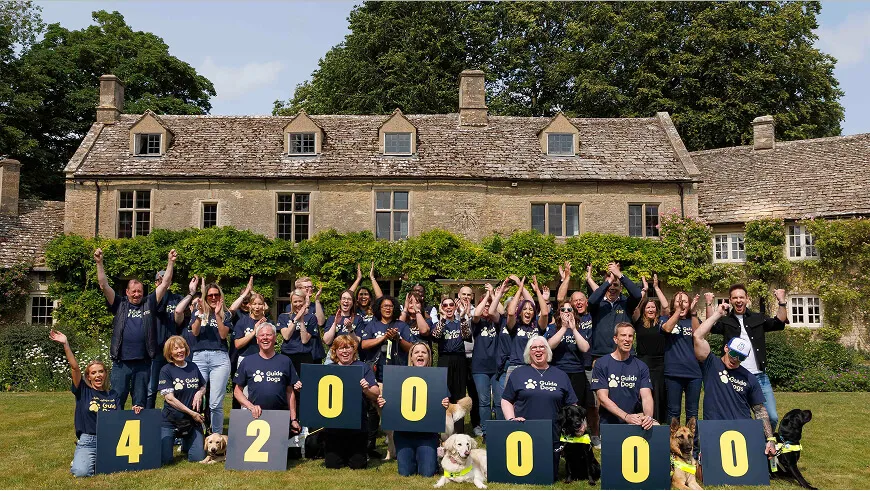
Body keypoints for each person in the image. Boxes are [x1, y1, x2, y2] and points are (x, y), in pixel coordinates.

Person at [94, 248, 176, 411]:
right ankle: (115, 427)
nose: (137, 294)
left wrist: (170, 262)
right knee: (116, 401)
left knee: (140, 404)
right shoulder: (119, 304)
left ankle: (140, 427)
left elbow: (165, 283)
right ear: (127, 292)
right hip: (121, 362)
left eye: (140, 291)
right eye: (134, 291)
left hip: (143, 363)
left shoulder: (149, 303)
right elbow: (103, 285)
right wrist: (99, 263)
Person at [694, 302, 777, 459]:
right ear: (726, 348)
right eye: (733, 354)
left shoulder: (749, 378)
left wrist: (770, 439)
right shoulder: (711, 364)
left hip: (742, 431)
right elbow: (698, 336)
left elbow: (760, 410)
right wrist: (717, 314)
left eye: (741, 357)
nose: (735, 360)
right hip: (714, 429)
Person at [705, 285, 787, 430]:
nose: (738, 300)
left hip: (759, 376)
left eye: (741, 297)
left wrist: (781, 301)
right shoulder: (726, 320)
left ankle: (764, 441)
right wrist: (709, 304)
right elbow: (711, 326)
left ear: (747, 298)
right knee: (737, 419)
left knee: (771, 417)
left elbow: (779, 323)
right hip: (733, 377)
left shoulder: (758, 318)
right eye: (735, 298)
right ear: (730, 300)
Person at [501, 336, 578, 478]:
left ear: (548, 351)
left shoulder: (561, 375)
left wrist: (576, 424)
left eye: (542, 347)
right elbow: (506, 400)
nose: (538, 350)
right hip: (524, 431)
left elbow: (572, 404)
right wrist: (511, 420)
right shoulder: (518, 374)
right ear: (528, 352)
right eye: (534, 347)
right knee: (524, 475)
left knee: (549, 475)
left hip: (552, 433)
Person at [49, 329, 120, 477]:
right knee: (82, 472)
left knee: (118, 468)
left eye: (101, 371)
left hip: (109, 439)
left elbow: (119, 420)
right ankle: (81, 458)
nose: (98, 375)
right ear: (88, 377)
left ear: (105, 374)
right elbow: (75, 368)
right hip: (89, 440)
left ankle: (89, 460)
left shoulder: (113, 395)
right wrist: (66, 344)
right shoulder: (83, 391)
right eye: (93, 373)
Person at [377, 342, 449, 477]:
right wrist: (384, 402)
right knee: (405, 472)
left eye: (424, 352)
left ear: (429, 357)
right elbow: (392, 402)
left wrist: (445, 403)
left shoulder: (437, 377)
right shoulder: (398, 376)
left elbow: (443, 403)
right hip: (403, 435)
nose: (420, 355)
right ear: (411, 357)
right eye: (416, 352)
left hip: (427, 436)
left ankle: (429, 459)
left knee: (427, 473)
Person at [360, 295, 415, 456]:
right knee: (374, 412)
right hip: (377, 376)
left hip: (397, 375)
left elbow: (411, 348)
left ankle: (397, 448)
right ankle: (370, 446)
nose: (388, 308)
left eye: (390, 306)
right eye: (384, 306)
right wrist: (383, 337)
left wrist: (398, 338)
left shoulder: (401, 325)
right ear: (379, 308)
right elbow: (363, 344)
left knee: (396, 412)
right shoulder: (372, 325)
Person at [556, 261, 602, 446]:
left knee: (592, 405)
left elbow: (600, 294)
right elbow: (560, 299)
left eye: (581, 299)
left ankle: (594, 434)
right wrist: (566, 278)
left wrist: (589, 278)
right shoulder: (569, 319)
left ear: (586, 302)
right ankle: (569, 433)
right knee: (571, 403)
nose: (578, 303)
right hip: (574, 367)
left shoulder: (593, 314)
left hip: (590, 365)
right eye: (575, 301)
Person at [233, 322, 302, 435]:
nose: (265, 338)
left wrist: (293, 419)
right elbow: (237, 391)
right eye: (261, 335)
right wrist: (251, 407)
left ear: (275, 338)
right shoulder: (247, 361)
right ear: (257, 340)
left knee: (279, 446)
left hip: (280, 416)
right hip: (255, 417)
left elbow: (290, 392)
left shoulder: (285, 361)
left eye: (269, 335)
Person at [323, 334, 380, 469]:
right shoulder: (328, 369)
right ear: (335, 351)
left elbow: (376, 393)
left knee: (358, 465)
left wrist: (366, 389)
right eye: (341, 348)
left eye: (348, 347)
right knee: (332, 464)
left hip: (358, 426)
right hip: (334, 426)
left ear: (354, 350)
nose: (345, 351)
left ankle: (361, 452)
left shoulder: (363, 367)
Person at [660, 290, 702, 456]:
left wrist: (693, 313)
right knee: (673, 412)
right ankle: (671, 450)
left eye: (685, 301)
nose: (682, 304)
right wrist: (677, 311)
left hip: (694, 374)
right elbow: (667, 329)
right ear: (673, 304)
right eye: (678, 301)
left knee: (692, 413)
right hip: (673, 373)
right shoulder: (666, 319)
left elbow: (698, 335)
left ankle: (694, 450)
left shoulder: (693, 320)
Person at [590, 322, 654, 428]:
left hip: (635, 422)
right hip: (609, 424)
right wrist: (625, 416)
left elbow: (646, 397)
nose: (627, 339)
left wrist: (648, 417)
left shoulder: (641, 366)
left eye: (630, 336)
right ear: (615, 339)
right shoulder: (601, 364)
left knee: (656, 425)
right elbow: (602, 398)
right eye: (623, 335)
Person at [190, 282, 233, 435]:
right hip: (199, 358)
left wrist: (217, 314)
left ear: (220, 296)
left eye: (216, 295)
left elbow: (223, 335)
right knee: (196, 399)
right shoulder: (198, 311)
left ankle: (216, 436)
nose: (213, 297)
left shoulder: (226, 313)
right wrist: (200, 314)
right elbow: (194, 332)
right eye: (210, 295)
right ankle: (195, 436)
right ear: (205, 297)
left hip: (219, 358)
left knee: (215, 403)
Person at [157, 335, 206, 464]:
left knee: (198, 458)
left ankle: (186, 442)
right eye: (176, 349)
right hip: (171, 420)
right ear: (170, 353)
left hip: (191, 421)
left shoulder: (193, 366)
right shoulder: (166, 370)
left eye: (182, 347)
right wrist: (192, 413)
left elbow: (203, 385)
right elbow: (170, 399)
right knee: (165, 460)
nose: (180, 351)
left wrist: (199, 393)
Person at [493, 275, 550, 384]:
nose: (528, 311)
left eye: (531, 309)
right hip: (515, 367)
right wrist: (520, 289)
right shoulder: (515, 326)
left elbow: (545, 313)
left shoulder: (537, 326)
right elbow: (510, 313)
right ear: (520, 312)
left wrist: (537, 291)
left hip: (534, 367)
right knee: (510, 395)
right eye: (524, 309)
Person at [631, 275, 669, 425]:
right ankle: (642, 420)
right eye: (648, 307)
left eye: (653, 307)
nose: (651, 309)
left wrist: (657, 288)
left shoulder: (662, 322)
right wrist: (644, 291)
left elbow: (666, 307)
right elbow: (635, 308)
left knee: (658, 394)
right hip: (643, 362)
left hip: (659, 363)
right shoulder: (638, 322)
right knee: (644, 392)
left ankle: (657, 422)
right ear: (644, 310)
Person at [431, 295, 471, 434]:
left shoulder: (460, 322)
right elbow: (435, 336)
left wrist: (463, 316)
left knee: (459, 395)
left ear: (455, 307)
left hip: (459, 360)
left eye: (451, 305)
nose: (448, 307)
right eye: (445, 305)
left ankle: (458, 431)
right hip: (444, 360)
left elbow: (467, 336)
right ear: (441, 308)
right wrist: (442, 318)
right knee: (444, 395)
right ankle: (443, 431)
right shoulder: (439, 323)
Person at [147, 267, 185, 409]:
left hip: (174, 350)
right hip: (156, 349)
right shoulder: (151, 299)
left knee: (177, 385)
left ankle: (174, 414)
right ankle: (149, 415)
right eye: (160, 280)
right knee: (151, 387)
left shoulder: (177, 298)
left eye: (166, 280)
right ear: (156, 283)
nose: (163, 283)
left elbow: (180, 321)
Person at [546, 301, 593, 413]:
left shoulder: (580, 329)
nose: (566, 312)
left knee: (576, 407)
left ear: (573, 312)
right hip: (558, 371)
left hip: (577, 372)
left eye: (569, 309)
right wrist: (563, 328)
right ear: (559, 313)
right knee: (558, 405)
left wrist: (573, 329)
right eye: (563, 310)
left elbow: (585, 348)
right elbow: (549, 346)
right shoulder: (553, 328)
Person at [470, 284, 504, 439]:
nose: (487, 308)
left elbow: (502, 312)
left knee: (499, 401)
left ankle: (501, 430)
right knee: (484, 402)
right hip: (480, 368)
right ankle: (486, 431)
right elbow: (476, 313)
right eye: (484, 305)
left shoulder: (498, 322)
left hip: (497, 367)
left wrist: (493, 296)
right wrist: (486, 298)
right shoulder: (477, 323)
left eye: (490, 305)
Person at [588, 262, 642, 359]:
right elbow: (591, 301)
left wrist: (620, 275)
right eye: (609, 285)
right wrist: (609, 281)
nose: (612, 287)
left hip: (624, 354)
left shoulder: (626, 303)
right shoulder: (598, 303)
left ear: (621, 288)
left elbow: (638, 295)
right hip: (601, 355)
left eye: (615, 285)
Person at [323, 289, 366, 364]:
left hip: (351, 355)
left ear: (353, 303)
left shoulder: (358, 319)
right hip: (333, 354)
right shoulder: (332, 318)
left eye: (349, 299)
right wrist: (335, 323)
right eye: (344, 298)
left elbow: (356, 343)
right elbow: (327, 341)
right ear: (340, 301)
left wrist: (350, 329)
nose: (346, 301)